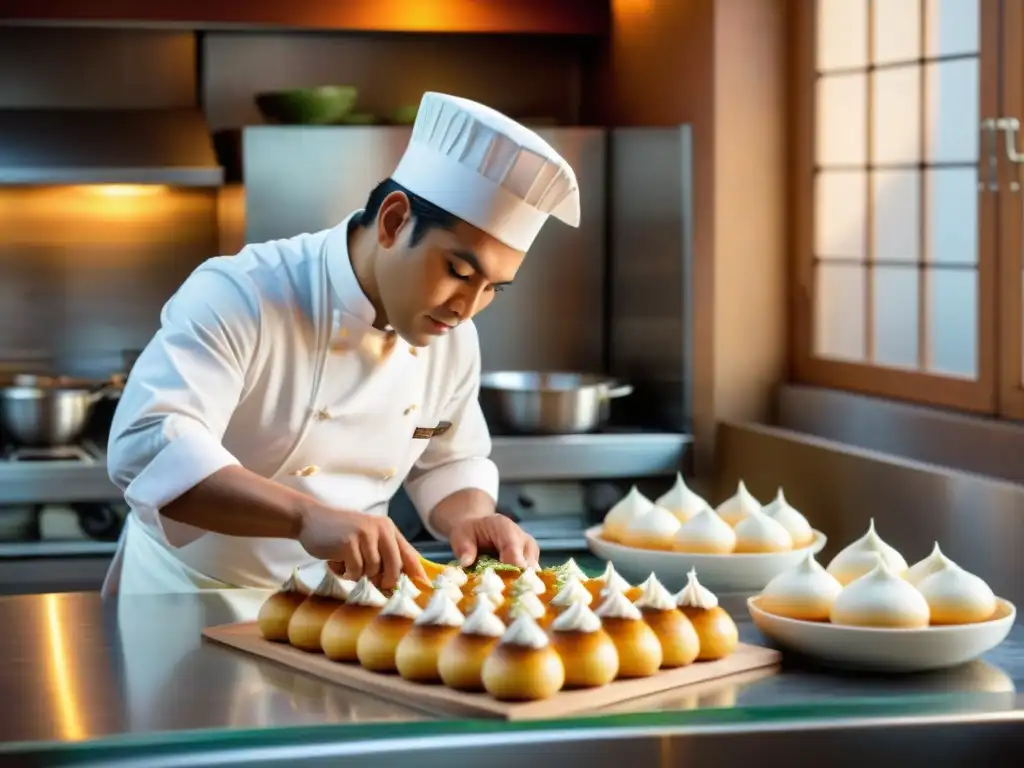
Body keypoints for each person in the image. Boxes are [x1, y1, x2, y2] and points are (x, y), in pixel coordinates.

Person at [101, 91, 581, 595]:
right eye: (459, 272)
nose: (467, 307)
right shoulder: (243, 293)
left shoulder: (451, 336)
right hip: (189, 597)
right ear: (395, 221)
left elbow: (448, 458)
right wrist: (306, 517)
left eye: (493, 290)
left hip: (339, 607)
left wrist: (472, 518)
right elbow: (149, 446)